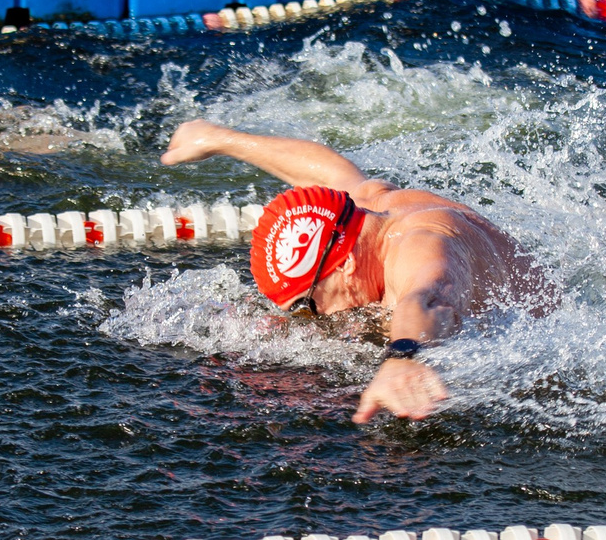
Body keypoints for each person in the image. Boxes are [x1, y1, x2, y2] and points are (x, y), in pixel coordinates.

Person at [160, 119, 545, 424]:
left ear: (345, 264)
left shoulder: (421, 245)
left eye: (306, 306)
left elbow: (428, 297)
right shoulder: (361, 210)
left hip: (546, 357)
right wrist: (220, 139)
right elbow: (331, 172)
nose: (314, 318)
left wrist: (402, 358)